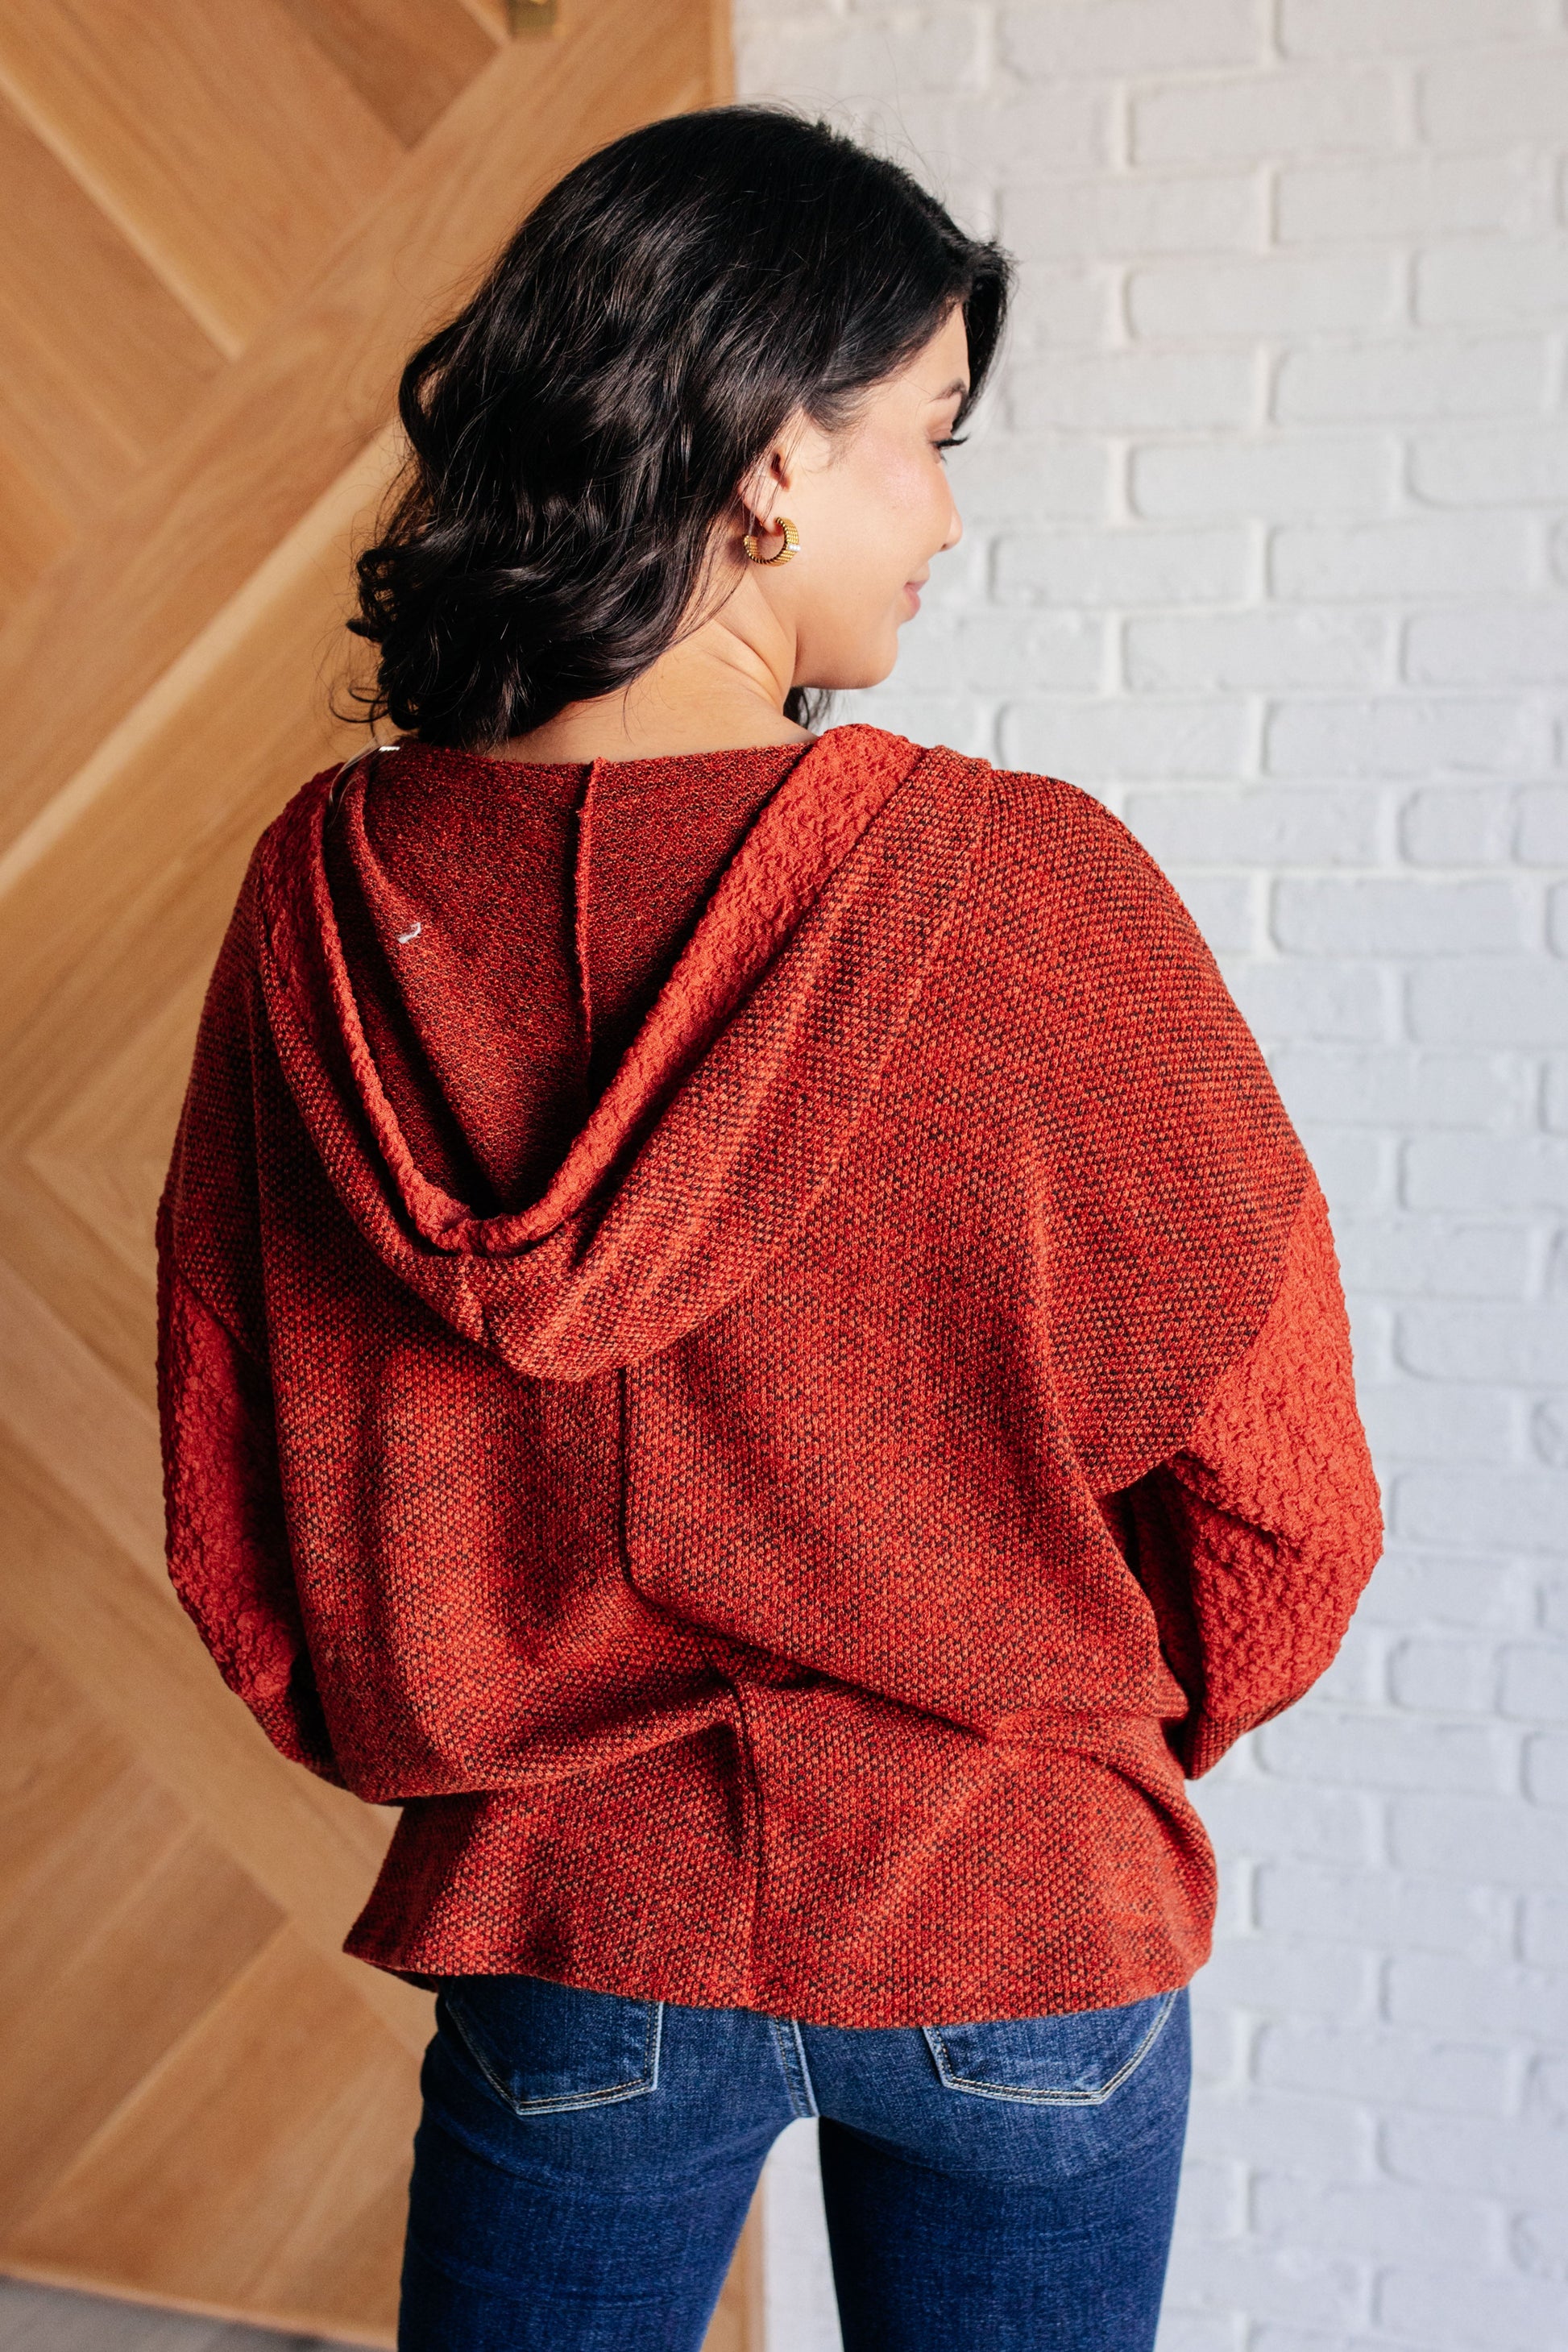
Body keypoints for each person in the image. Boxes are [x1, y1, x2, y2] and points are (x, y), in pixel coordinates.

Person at [156, 105, 1383, 2352]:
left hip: (568, 1921)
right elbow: (1282, 1484)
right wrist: (1065, 1735)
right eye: (928, 436)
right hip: (1022, 1912)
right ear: (770, 461)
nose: (946, 514)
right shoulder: (1031, 885)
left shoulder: (331, 893)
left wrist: (446, 1715)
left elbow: (236, 1473)